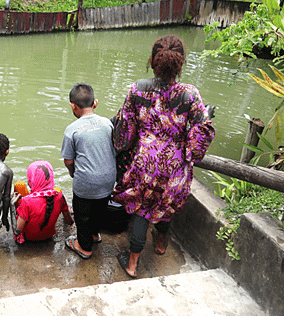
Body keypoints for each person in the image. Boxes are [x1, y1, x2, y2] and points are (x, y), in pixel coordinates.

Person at [112, 35, 215, 278]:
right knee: (165, 203)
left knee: (142, 209)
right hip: (174, 166)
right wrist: (188, 155)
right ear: (181, 63)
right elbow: (202, 135)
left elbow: (124, 133)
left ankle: (132, 264)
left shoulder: (137, 89)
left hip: (144, 163)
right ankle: (160, 242)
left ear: (152, 60)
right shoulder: (190, 95)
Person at [61, 83, 117, 259]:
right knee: (99, 208)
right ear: (95, 103)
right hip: (109, 180)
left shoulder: (72, 130)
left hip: (86, 182)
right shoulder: (108, 124)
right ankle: (94, 234)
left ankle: (84, 246)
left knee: (82, 214)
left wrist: (73, 173)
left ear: (73, 105)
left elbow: (68, 160)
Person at [12, 161, 74, 243]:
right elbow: (70, 222)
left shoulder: (26, 201)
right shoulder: (59, 197)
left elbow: (17, 231)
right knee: (57, 190)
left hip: (28, 237)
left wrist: (12, 206)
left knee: (19, 185)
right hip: (49, 235)